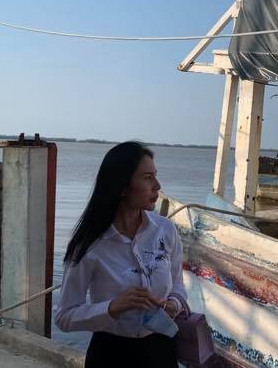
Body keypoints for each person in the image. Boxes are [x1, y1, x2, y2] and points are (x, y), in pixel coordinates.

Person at [55, 141, 188, 368]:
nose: (157, 185)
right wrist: (112, 307)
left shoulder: (165, 230)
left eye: (155, 176)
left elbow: (178, 287)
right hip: (111, 354)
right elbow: (64, 317)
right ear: (122, 186)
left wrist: (174, 305)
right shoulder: (89, 245)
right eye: (147, 178)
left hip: (162, 348)